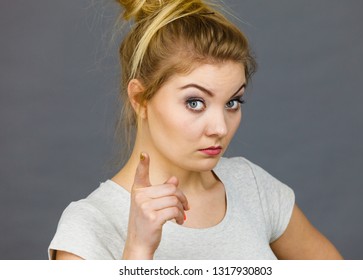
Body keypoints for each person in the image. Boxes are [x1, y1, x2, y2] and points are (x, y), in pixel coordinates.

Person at [49, 0, 343, 260]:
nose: (219, 128)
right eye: (194, 102)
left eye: (232, 102)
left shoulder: (251, 186)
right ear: (140, 98)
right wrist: (137, 253)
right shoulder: (89, 225)